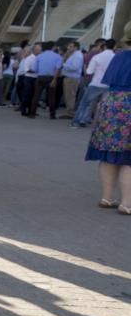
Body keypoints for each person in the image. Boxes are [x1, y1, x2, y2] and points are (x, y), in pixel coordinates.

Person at [85, 23, 131, 214]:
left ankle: (107, 197)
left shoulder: (118, 57)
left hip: (111, 102)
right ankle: (127, 203)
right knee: (129, 158)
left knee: (109, 153)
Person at [72, 38, 116, 127]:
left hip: (96, 83)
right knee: (106, 106)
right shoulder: (115, 57)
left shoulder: (97, 57)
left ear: (104, 46)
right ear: (114, 46)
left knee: (85, 103)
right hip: (109, 85)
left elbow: (89, 72)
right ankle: (103, 124)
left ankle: (78, 121)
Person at [29, 41, 63, 118]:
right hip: (51, 77)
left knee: (36, 96)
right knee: (51, 96)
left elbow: (35, 69)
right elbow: (57, 69)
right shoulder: (58, 56)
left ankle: (32, 113)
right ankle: (52, 114)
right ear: (53, 47)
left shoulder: (39, 56)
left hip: (40, 77)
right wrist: (55, 79)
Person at [59, 41, 84, 119]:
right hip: (69, 78)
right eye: (68, 46)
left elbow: (74, 67)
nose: (68, 48)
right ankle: (69, 111)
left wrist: (64, 64)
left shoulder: (77, 56)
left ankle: (70, 113)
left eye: (71, 46)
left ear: (76, 47)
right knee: (68, 96)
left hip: (72, 78)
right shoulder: (73, 55)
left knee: (70, 96)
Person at [18, 44, 39, 115]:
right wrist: (36, 71)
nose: (39, 51)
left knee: (33, 95)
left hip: (35, 78)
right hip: (28, 78)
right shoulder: (29, 59)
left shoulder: (36, 58)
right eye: (37, 50)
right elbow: (27, 70)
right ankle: (23, 110)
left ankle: (31, 110)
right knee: (27, 95)